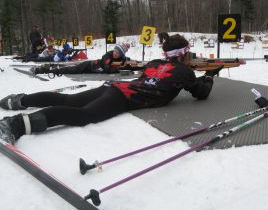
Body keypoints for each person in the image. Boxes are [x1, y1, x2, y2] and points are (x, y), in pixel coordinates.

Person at [0, 32, 223, 145]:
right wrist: (210, 77)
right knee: (83, 115)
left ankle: (19, 100)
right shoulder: (184, 73)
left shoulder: (155, 63)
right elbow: (200, 93)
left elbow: (163, 77)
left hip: (116, 87)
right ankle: (16, 124)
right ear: (184, 54)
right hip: (124, 96)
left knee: (69, 101)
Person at [31, 42, 131, 75]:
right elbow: (107, 68)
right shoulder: (108, 55)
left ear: (121, 55)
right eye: (115, 51)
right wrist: (117, 69)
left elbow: (131, 63)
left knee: (68, 66)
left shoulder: (123, 59)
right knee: (68, 69)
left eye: (118, 53)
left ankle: (48, 67)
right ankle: (45, 69)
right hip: (88, 66)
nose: (115, 53)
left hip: (91, 70)